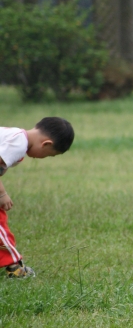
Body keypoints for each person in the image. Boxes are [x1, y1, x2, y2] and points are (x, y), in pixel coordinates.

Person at [0, 117, 74, 278]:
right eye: (48, 155)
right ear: (45, 144)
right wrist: (2, 194)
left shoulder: (14, 135)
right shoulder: (18, 144)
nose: (43, 158)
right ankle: (13, 265)